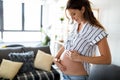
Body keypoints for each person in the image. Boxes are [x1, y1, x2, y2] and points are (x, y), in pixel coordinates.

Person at [53, 0, 111, 80]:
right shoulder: (75, 26)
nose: (73, 18)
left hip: (78, 77)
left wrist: (79, 58)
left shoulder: (96, 30)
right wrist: (56, 58)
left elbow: (107, 59)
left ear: (83, 9)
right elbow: (66, 45)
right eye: (71, 15)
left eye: (74, 14)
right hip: (64, 75)